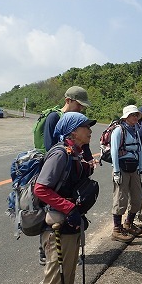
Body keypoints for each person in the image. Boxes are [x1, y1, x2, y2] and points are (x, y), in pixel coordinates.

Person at [33, 112, 96, 284]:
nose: (90, 130)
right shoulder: (60, 153)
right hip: (57, 227)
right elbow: (41, 189)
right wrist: (69, 209)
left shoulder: (74, 152)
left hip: (69, 225)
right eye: (86, 127)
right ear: (74, 131)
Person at [38, 85, 95, 265]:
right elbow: (50, 148)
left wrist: (84, 163)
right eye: (79, 105)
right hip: (57, 173)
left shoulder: (75, 144)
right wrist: (66, 157)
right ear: (68, 100)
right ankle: (45, 250)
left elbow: (84, 149)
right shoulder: (55, 120)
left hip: (69, 167)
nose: (81, 108)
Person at [110, 105, 142, 243]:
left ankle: (128, 223)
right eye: (133, 115)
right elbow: (114, 152)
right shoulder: (119, 130)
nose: (135, 117)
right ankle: (117, 229)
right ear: (126, 117)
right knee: (120, 198)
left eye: (137, 115)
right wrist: (116, 171)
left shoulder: (135, 131)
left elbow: (140, 150)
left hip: (134, 168)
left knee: (137, 198)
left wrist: (141, 168)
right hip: (122, 169)